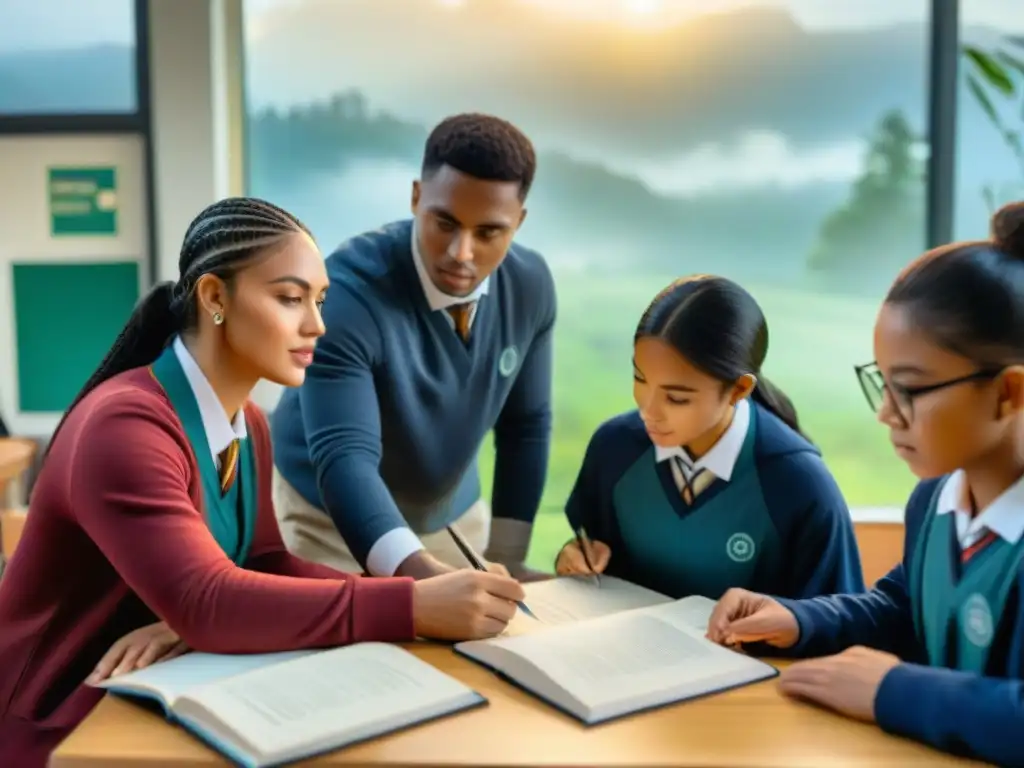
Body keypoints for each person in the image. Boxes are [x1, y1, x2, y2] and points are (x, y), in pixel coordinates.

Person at [0, 197, 525, 767]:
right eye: (291, 298)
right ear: (215, 297)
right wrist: (413, 605)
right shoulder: (124, 426)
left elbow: (263, 563)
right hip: (62, 726)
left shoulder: (248, 421)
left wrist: (422, 593)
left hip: (157, 694)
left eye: (320, 301)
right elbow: (208, 600)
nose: (317, 324)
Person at [705, 203, 1024, 766]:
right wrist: (799, 618)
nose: (886, 413)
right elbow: (902, 607)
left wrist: (893, 690)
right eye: (882, 383)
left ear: (1010, 392)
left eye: (911, 389)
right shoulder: (934, 500)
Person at [271, 113, 555, 581]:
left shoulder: (531, 286)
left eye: (488, 233)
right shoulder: (344, 292)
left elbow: (526, 426)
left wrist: (508, 559)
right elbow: (345, 457)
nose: (461, 253)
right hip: (329, 521)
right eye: (445, 222)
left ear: (518, 223)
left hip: (453, 517)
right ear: (416, 197)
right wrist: (421, 583)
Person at [556, 275, 865, 601]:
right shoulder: (614, 448)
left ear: (739, 390)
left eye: (676, 398)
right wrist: (576, 561)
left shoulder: (799, 484)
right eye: (639, 379)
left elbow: (839, 623)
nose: (648, 411)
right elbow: (595, 567)